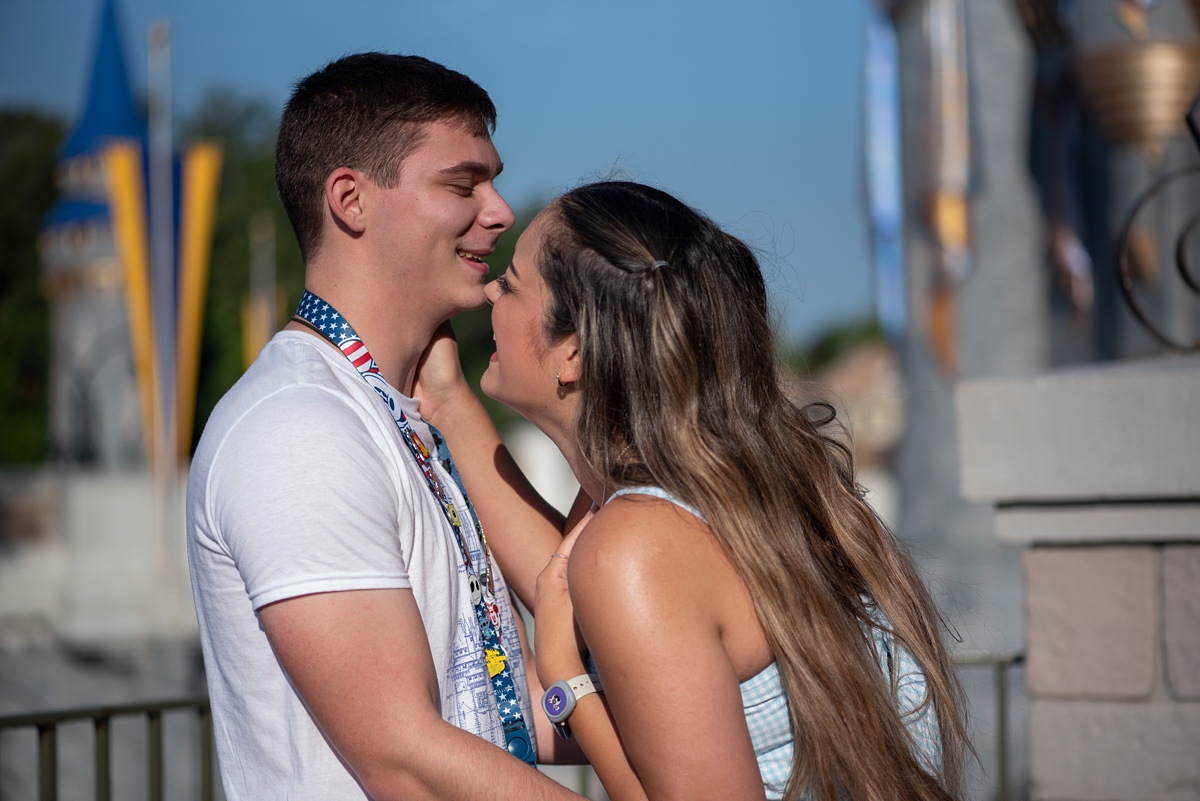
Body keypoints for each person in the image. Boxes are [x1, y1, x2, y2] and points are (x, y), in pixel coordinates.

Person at [415, 181, 972, 801]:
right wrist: (445, 399)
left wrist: (566, 682)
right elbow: (567, 577)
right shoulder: (705, 488)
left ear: (571, 350)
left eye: (512, 284)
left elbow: (606, 584)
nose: (491, 291)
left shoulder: (634, 545)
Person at [186, 53, 587, 801]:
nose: (499, 212)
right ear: (351, 200)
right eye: (463, 184)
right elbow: (403, 756)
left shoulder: (393, 409)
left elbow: (489, 705)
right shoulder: (296, 426)